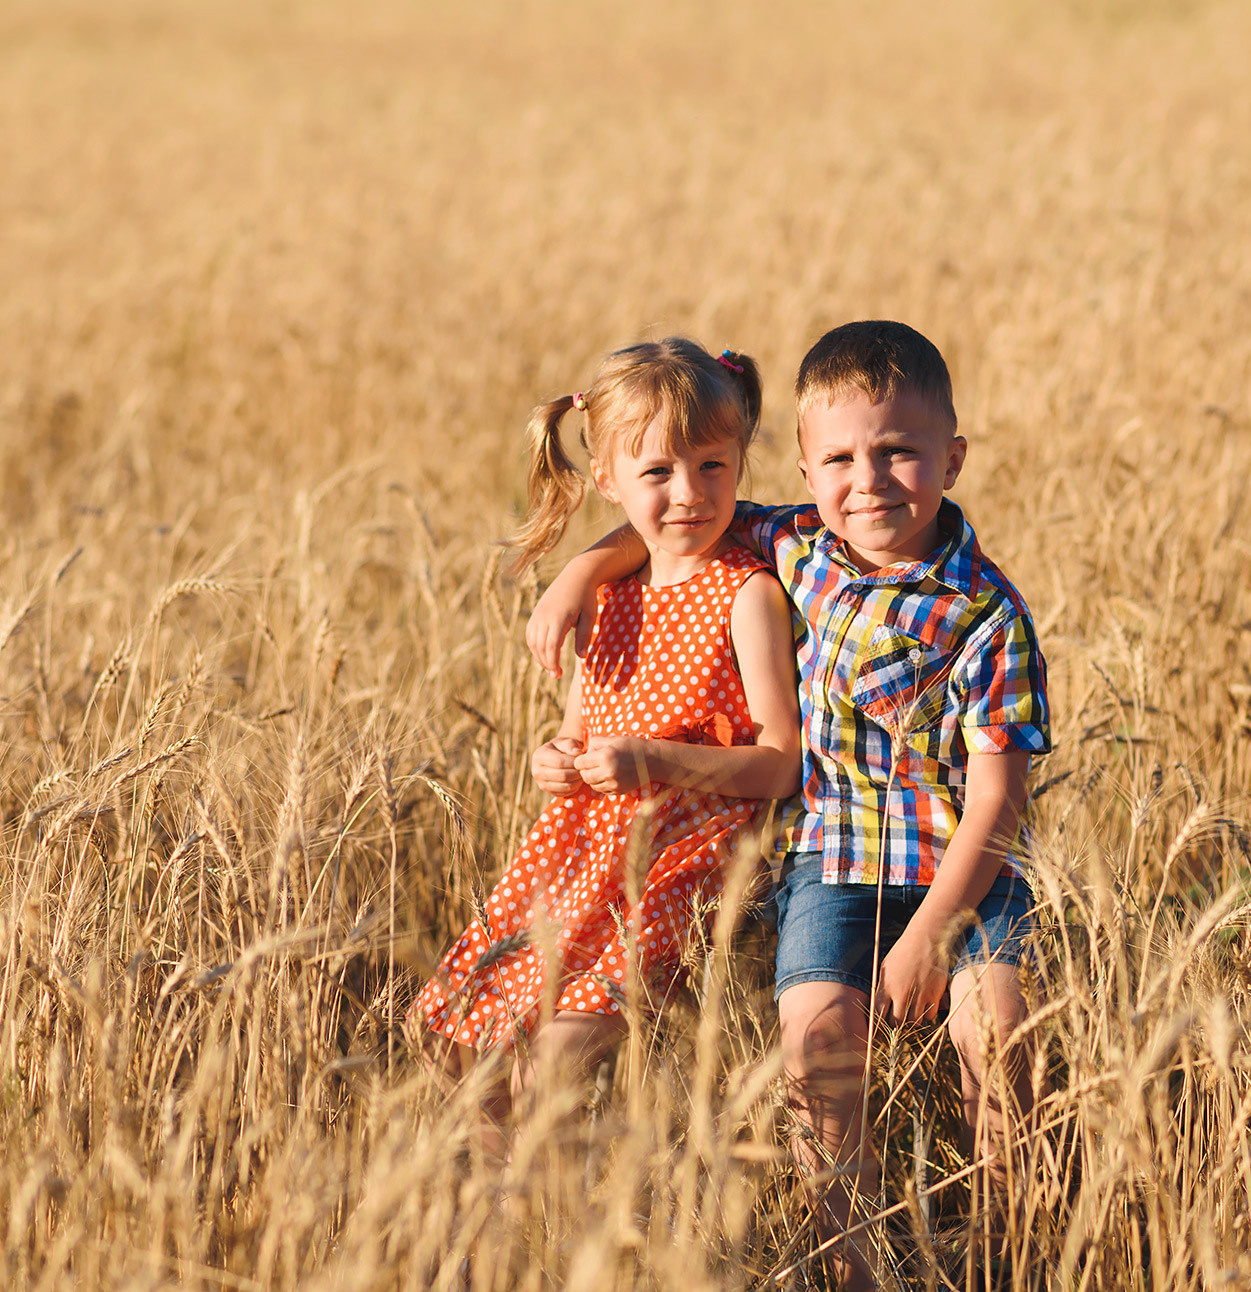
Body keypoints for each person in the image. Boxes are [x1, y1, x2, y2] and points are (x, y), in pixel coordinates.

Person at [527, 320, 1051, 1288]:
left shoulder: (988, 613)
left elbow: (999, 802)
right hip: (832, 862)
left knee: (998, 1031)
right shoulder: (800, 544)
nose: (870, 480)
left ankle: (1005, 1250)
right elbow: (675, 517)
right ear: (805, 472)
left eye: (898, 451)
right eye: (841, 458)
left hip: (967, 871)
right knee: (814, 1041)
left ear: (952, 458)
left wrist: (935, 931)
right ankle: (844, 1254)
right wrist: (579, 570)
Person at [417, 337, 802, 1140]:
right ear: (608, 480)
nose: (689, 493)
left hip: (679, 862)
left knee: (545, 1064)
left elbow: (778, 763)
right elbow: (576, 729)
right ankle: (522, 1230)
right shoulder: (608, 594)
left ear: (740, 463)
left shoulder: (749, 595)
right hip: (577, 853)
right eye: (657, 472)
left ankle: (569, 1231)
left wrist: (653, 760)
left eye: (712, 467)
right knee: (453, 1044)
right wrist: (552, 759)